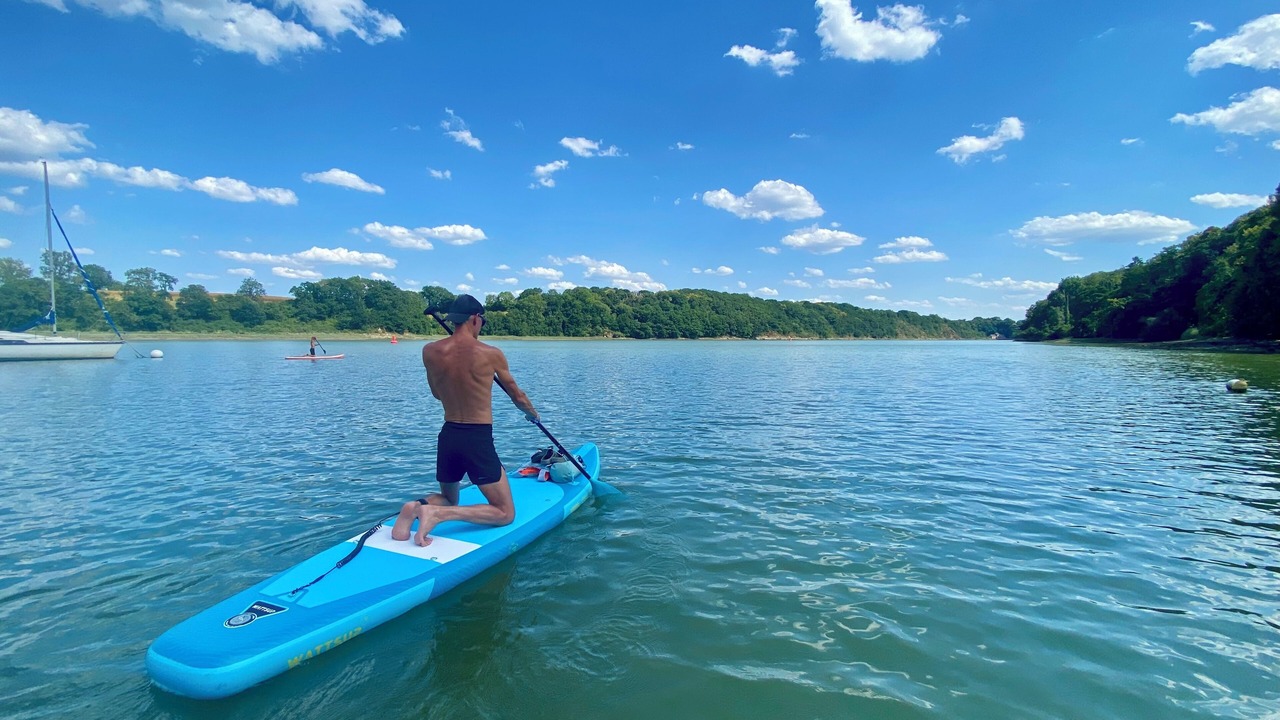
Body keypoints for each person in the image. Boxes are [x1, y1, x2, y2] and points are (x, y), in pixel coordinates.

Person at [391, 294, 539, 547]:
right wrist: (532, 415)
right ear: (475, 319)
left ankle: (414, 507)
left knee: (449, 497)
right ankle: (437, 514)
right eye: (482, 322)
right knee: (505, 513)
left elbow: (437, 393)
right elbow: (517, 395)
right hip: (476, 438)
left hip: (448, 435)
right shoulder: (490, 353)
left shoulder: (430, 351)